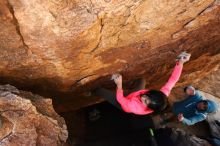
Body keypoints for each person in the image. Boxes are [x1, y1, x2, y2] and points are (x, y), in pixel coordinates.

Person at [94, 52, 191, 115]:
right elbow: (173, 80)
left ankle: (91, 91)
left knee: (101, 91)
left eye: (146, 101)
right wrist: (181, 63)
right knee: (142, 81)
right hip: (136, 93)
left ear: (149, 107)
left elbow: (121, 99)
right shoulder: (161, 96)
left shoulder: (133, 107)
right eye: (148, 96)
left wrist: (119, 85)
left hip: (123, 101)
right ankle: (131, 85)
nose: (144, 98)